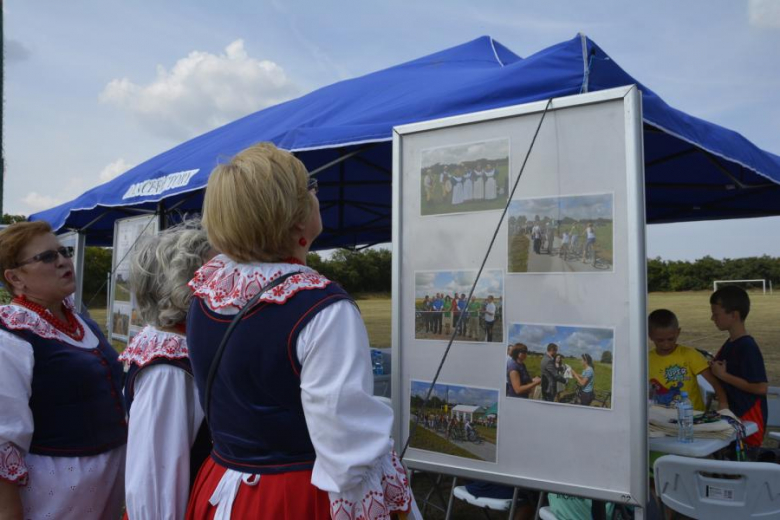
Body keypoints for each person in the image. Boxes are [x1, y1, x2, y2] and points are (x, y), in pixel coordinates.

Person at [184, 143, 417, 520]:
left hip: (221, 485)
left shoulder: (206, 292)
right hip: (292, 496)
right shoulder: (322, 308)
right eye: (310, 187)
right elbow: (348, 449)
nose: (316, 195)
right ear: (295, 218)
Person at [0, 221, 126, 519]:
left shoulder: (80, 321)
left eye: (63, 251)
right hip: (54, 492)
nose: (62, 261)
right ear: (15, 278)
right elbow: (3, 435)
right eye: (46, 257)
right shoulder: (12, 335)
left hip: (103, 484)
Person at [120, 223, 213, 520]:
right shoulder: (168, 369)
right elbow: (155, 479)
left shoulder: (181, 347)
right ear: (183, 282)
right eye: (215, 271)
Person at [709, 286, 768, 447]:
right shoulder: (730, 343)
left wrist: (723, 376)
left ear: (734, 315)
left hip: (748, 423)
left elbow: (761, 388)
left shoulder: (747, 346)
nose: (712, 318)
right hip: (733, 419)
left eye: (716, 314)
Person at [648, 309, 728, 412]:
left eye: (671, 339)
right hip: (662, 419)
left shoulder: (690, 355)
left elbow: (714, 382)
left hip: (693, 418)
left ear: (678, 332)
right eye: (660, 340)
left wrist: (723, 403)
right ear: (650, 336)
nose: (666, 344)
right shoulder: (645, 360)